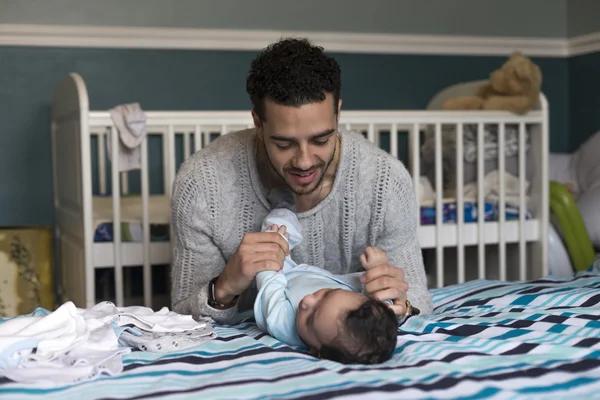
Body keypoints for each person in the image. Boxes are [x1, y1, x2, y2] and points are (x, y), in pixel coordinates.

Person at [170, 37, 433, 327]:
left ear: (338, 114)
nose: (305, 161)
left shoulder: (386, 182)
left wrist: (401, 304)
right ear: (258, 123)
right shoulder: (202, 186)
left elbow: (418, 301)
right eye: (284, 144)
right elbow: (181, 318)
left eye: (321, 139)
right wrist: (226, 286)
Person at [253, 189, 403, 364]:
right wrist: (377, 268)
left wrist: (273, 257)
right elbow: (384, 299)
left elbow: (270, 285)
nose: (307, 301)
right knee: (368, 286)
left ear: (317, 351)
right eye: (327, 294)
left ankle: (284, 205)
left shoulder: (283, 325)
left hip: (285, 275)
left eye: (309, 320)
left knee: (272, 233)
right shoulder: (371, 317)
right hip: (322, 277)